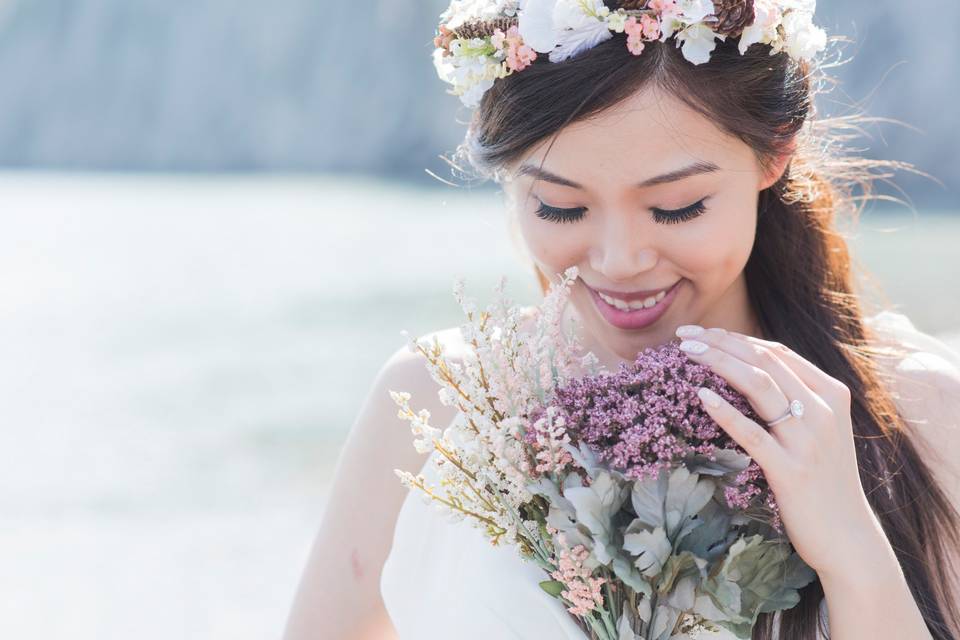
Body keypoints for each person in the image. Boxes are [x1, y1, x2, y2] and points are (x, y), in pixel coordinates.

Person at [282, 1, 960, 639]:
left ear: (775, 151)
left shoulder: (920, 410)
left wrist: (851, 548)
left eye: (677, 208)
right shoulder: (443, 402)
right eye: (560, 209)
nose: (620, 261)